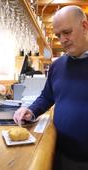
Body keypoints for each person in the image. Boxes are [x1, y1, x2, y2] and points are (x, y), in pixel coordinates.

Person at [13, 5, 88, 170]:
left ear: (84, 26)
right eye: (58, 35)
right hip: (61, 153)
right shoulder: (57, 66)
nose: (62, 40)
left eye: (67, 32)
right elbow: (47, 96)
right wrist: (31, 110)